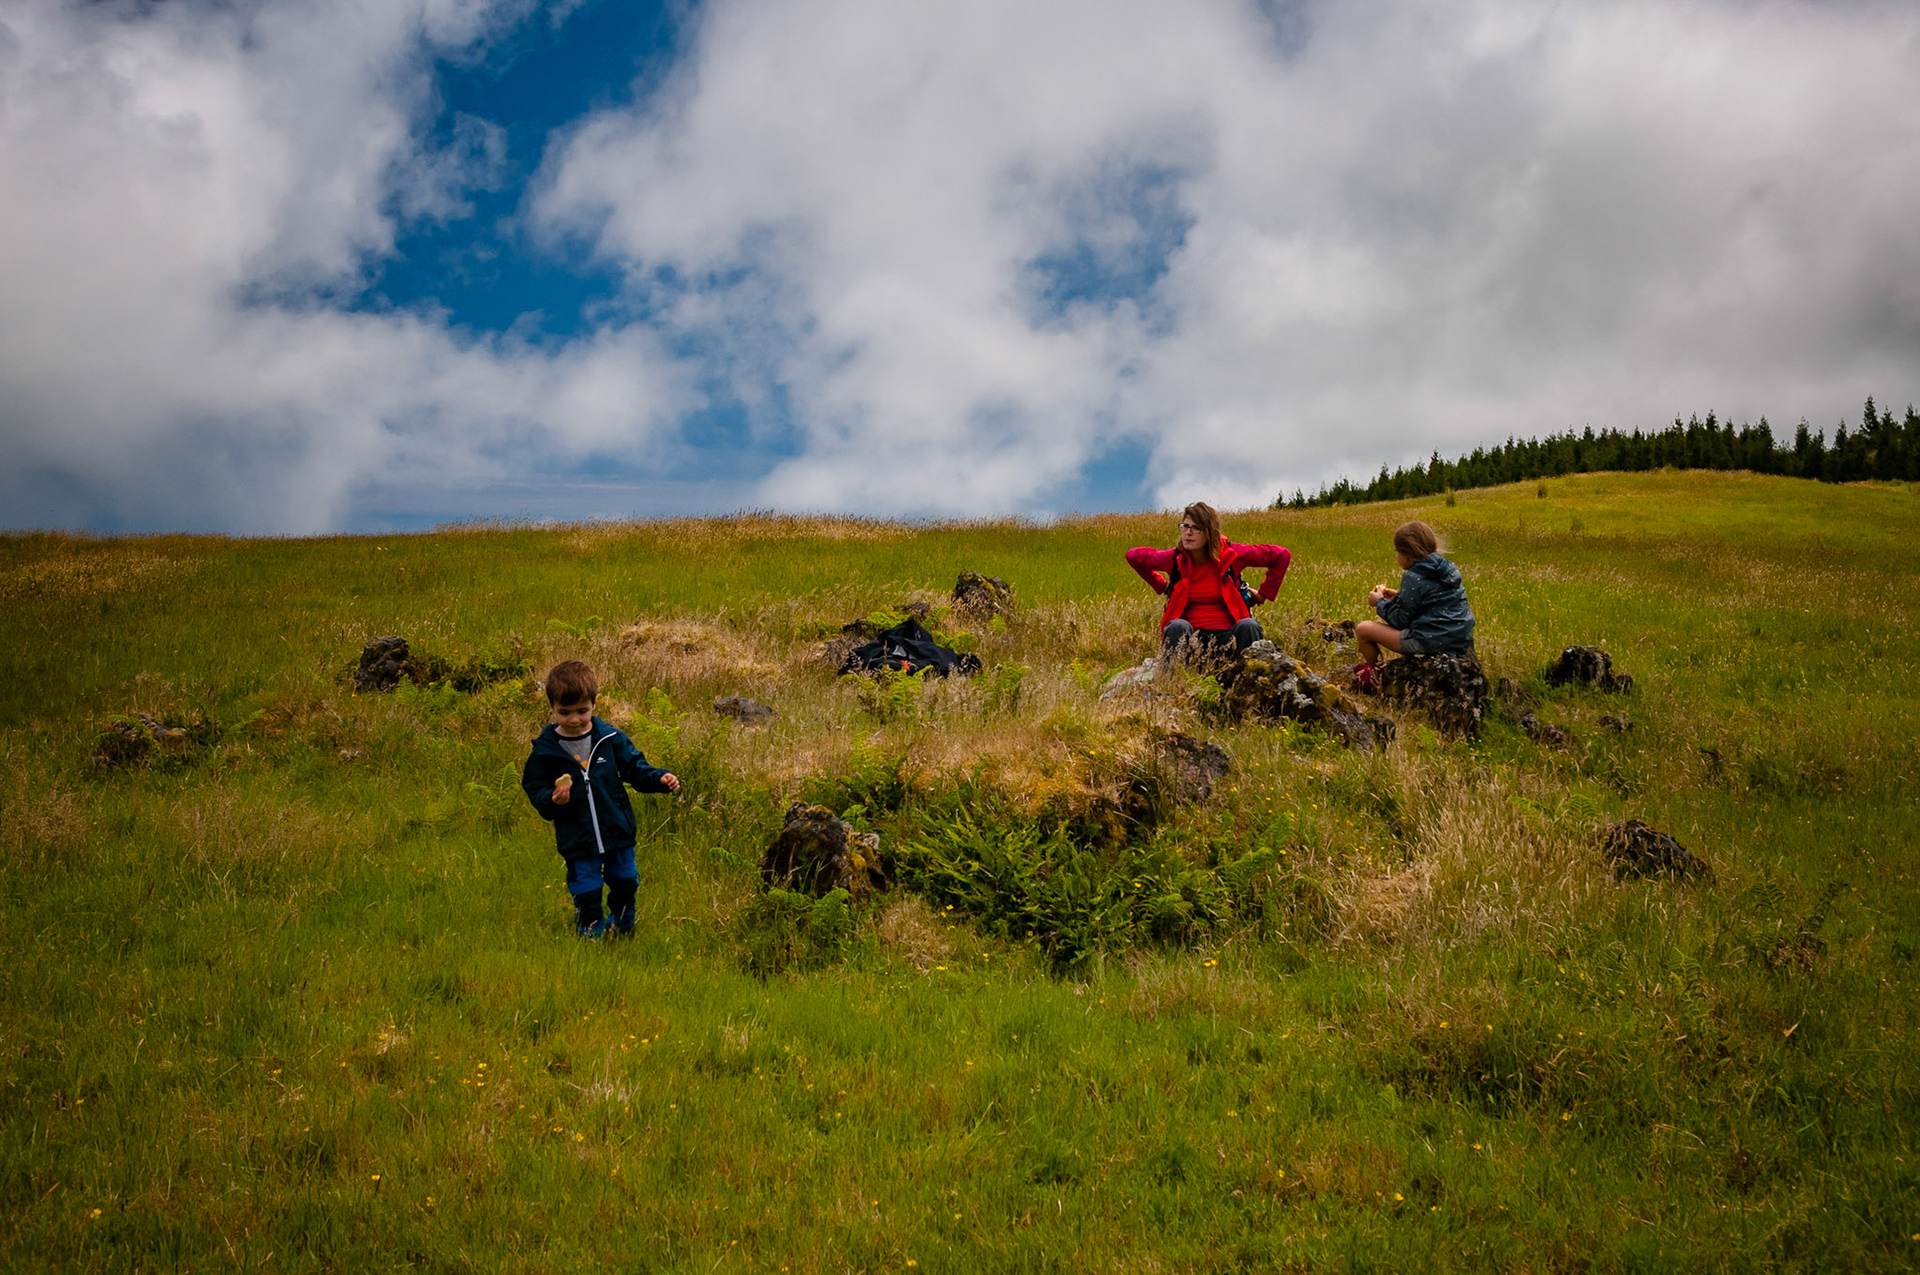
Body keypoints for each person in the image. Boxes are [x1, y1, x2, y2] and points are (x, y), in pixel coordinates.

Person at [520, 660, 681, 938]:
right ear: (552, 708)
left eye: (582, 711)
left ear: (594, 703)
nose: (574, 719)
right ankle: (591, 932)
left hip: (616, 829)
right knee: (586, 888)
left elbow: (635, 768)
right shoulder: (546, 752)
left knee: (626, 880)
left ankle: (622, 924)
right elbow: (534, 787)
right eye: (564, 712)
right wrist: (552, 799)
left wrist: (660, 779)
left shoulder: (610, 739)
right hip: (577, 836)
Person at [1126, 502, 1292, 665]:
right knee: (1176, 626)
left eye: (1195, 528)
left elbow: (1281, 555)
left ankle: (1250, 681)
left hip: (1229, 640)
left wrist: (1263, 595)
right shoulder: (1175, 559)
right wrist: (1161, 586)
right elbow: (1133, 556)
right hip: (1190, 641)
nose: (1188, 533)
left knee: (1249, 625)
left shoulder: (1231, 555)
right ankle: (1174, 686)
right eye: (1185, 526)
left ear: (1210, 532)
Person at [1354, 520, 1475, 691]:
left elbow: (1400, 620)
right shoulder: (1449, 568)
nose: (1396, 555)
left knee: (1363, 629)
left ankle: (1380, 680)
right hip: (1459, 639)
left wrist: (1379, 602)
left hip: (1430, 642)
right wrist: (1399, 597)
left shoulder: (1413, 577)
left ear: (1407, 554)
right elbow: (1434, 602)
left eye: (1397, 551)